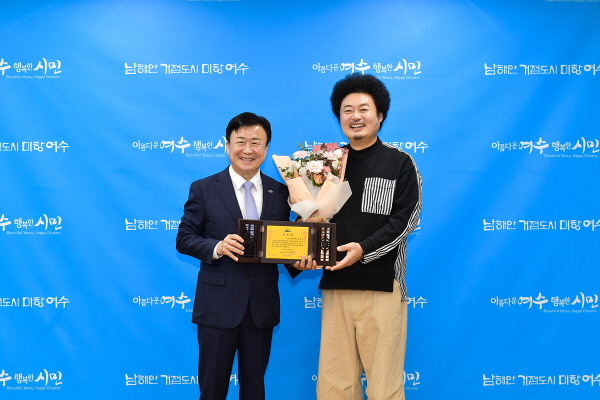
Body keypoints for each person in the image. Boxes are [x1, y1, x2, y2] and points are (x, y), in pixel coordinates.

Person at [176, 112, 299, 400]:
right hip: (217, 306)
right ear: (227, 145)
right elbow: (184, 239)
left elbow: (283, 247)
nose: (248, 149)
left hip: (261, 308)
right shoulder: (204, 188)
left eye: (256, 142)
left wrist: (300, 262)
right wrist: (218, 246)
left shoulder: (282, 192)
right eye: (240, 141)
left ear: (266, 148)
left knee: (254, 390)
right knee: (212, 390)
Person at [316, 73, 422, 400]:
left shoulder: (400, 163)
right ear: (339, 118)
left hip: (382, 285)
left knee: (384, 387)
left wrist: (363, 249)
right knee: (334, 386)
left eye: (364, 109)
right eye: (347, 110)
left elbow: (406, 219)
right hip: (336, 285)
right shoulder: (326, 163)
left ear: (381, 115)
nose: (355, 116)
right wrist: (300, 254)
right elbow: (310, 216)